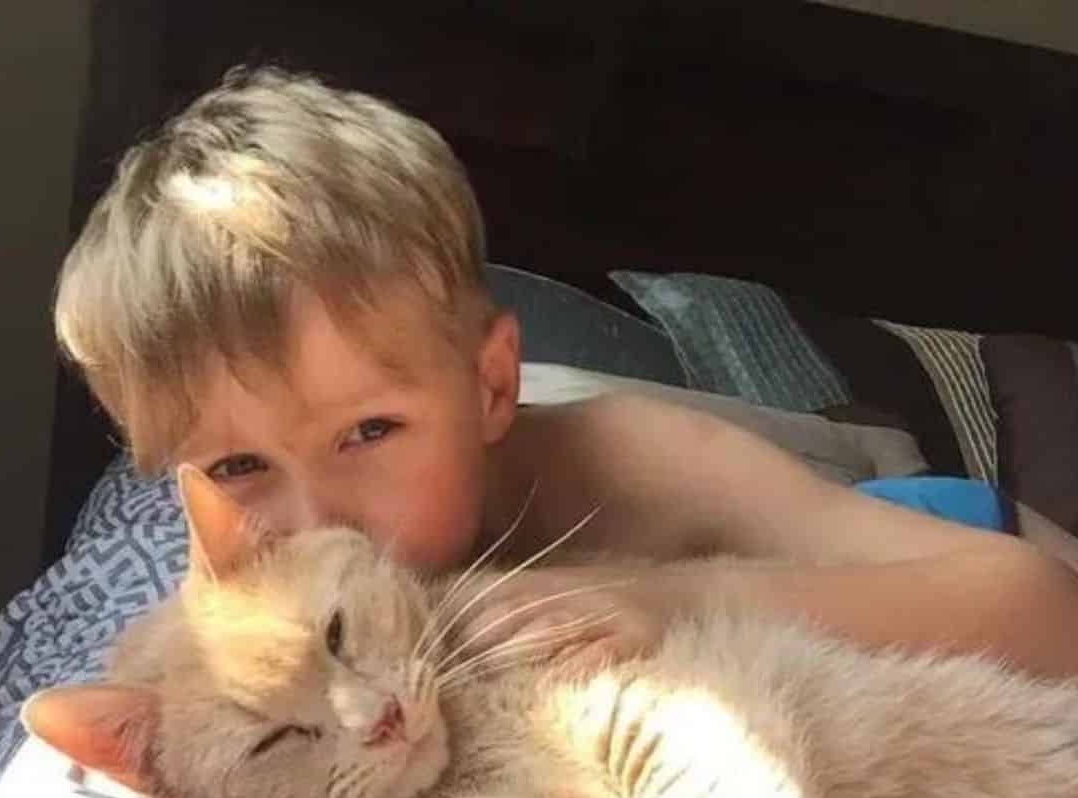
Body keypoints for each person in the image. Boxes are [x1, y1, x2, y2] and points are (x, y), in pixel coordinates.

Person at [53, 67, 1078, 678]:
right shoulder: (237, 529)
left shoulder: (644, 460)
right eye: (236, 465)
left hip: (910, 532)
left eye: (370, 431)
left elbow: (1044, 612)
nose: (318, 521)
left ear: (492, 385)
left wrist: (675, 608)